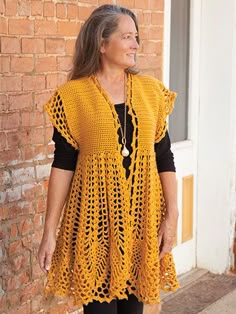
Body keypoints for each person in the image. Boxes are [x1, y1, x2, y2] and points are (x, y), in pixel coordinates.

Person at [38, 4, 180, 314]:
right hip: (94, 224)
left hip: (142, 221)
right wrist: (49, 231)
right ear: (102, 44)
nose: (135, 45)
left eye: (136, 37)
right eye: (127, 37)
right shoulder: (72, 97)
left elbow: (163, 156)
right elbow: (63, 164)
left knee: (134, 310)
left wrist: (172, 215)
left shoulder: (151, 92)